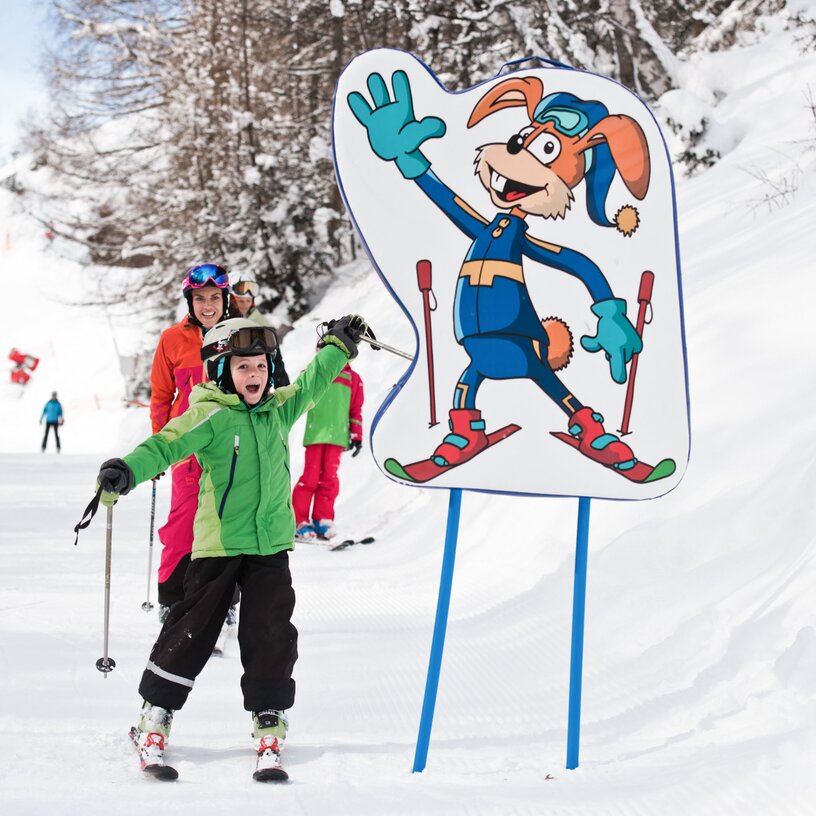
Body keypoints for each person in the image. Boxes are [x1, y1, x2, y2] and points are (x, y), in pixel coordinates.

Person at [95, 314, 370, 781]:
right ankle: (155, 715)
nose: (255, 375)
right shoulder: (211, 414)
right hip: (219, 545)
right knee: (192, 631)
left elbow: (311, 383)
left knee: (271, 635)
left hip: (271, 546)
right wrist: (128, 469)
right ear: (223, 370)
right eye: (243, 367)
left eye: (261, 366)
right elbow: (166, 444)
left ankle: (268, 717)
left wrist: (338, 347)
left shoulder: (278, 409)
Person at [150, 263, 230, 621]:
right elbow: (161, 398)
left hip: (230, 446)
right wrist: (159, 450)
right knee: (183, 525)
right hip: (187, 449)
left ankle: (224, 600)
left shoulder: (240, 334)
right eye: (200, 298)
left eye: (215, 297)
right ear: (190, 301)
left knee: (226, 521)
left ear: (225, 299)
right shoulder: (172, 339)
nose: (208, 305)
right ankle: (172, 599)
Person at [292, 352, 364, 540]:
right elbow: (300, 391)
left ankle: (322, 519)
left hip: (338, 436)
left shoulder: (353, 378)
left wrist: (356, 434)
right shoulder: (315, 373)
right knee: (310, 478)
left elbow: (356, 408)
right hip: (316, 433)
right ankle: (298, 520)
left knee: (329, 479)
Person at [230, 278, 290, 388]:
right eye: (241, 301)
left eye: (248, 301)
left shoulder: (261, 325)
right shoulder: (221, 323)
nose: (245, 305)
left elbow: (278, 367)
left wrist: (283, 391)